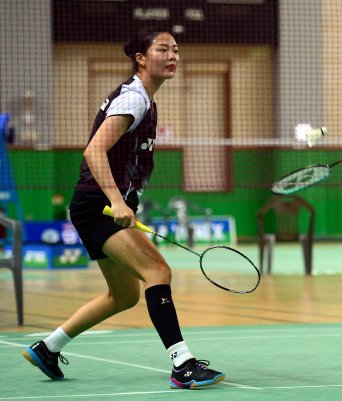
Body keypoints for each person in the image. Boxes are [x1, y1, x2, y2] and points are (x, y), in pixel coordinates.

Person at [22, 28, 225, 389]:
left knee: (125, 295)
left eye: (176, 50)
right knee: (158, 271)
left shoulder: (146, 99)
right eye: (163, 49)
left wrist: (125, 202)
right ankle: (183, 365)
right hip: (97, 206)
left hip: (98, 205)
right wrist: (116, 201)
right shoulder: (134, 99)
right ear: (141, 58)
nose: (172, 56)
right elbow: (93, 150)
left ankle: (48, 348)